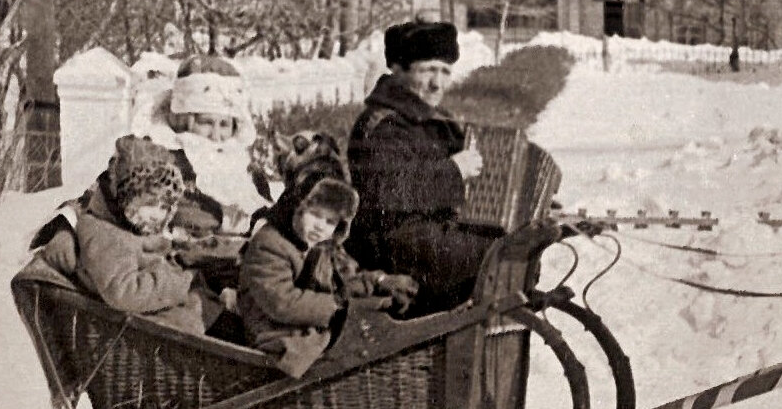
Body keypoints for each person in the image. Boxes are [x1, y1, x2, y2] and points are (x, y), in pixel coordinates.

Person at [345, 20, 509, 312]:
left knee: (515, 243)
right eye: (428, 70)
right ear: (397, 70)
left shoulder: (436, 120)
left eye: (445, 71)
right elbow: (386, 194)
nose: (438, 83)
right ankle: (457, 333)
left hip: (427, 234)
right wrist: (453, 172)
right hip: (390, 242)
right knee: (496, 253)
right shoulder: (381, 124)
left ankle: (480, 330)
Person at [31, 135, 215, 334]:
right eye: (151, 204)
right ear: (127, 198)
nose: (158, 214)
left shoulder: (130, 224)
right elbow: (124, 291)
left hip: (165, 308)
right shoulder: (107, 234)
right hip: (152, 329)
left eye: (165, 207)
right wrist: (180, 281)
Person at [238, 176, 418, 377]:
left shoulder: (322, 245)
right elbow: (282, 302)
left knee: (377, 318)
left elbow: (346, 279)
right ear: (297, 209)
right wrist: (338, 307)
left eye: (330, 221)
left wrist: (378, 282)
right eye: (315, 215)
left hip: (309, 318)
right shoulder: (270, 243)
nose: (320, 226)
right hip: (272, 327)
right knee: (348, 338)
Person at [133, 54, 270, 234]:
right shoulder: (162, 164)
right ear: (183, 120)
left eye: (224, 125)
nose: (216, 135)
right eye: (206, 122)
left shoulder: (246, 168)